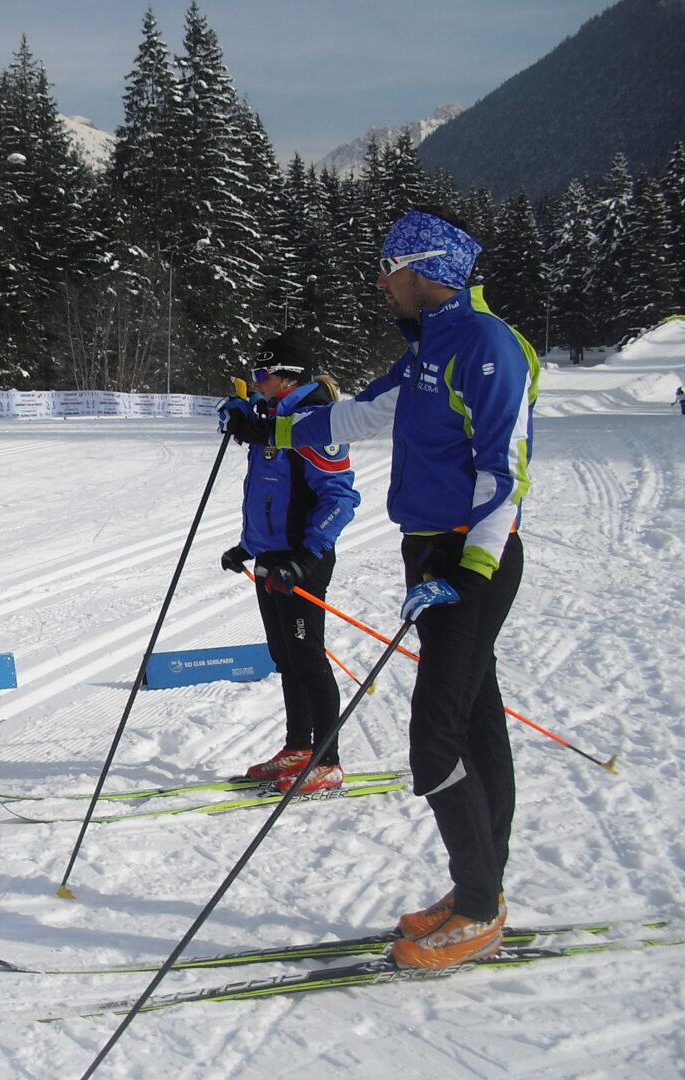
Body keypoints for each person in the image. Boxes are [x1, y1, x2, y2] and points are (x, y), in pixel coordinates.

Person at [222, 206, 538, 970]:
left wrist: (467, 571)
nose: (380, 282)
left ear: (428, 270)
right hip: (431, 554)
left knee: (435, 739)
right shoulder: (430, 344)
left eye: (389, 268)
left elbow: (507, 474)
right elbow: (358, 416)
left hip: (473, 558)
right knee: (478, 720)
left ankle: (475, 907)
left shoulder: (488, 347)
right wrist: (271, 431)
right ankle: (481, 891)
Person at [220, 329, 359, 794]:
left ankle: (328, 760)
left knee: (308, 658)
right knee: (284, 657)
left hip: (304, 559)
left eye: (262, 373)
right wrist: (247, 545)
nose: (256, 381)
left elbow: (341, 498)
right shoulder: (272, 419)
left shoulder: (316, 423)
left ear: (287, 376)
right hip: (270, 558)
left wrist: (305, 556)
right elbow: (267, 494)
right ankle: (299, 747)